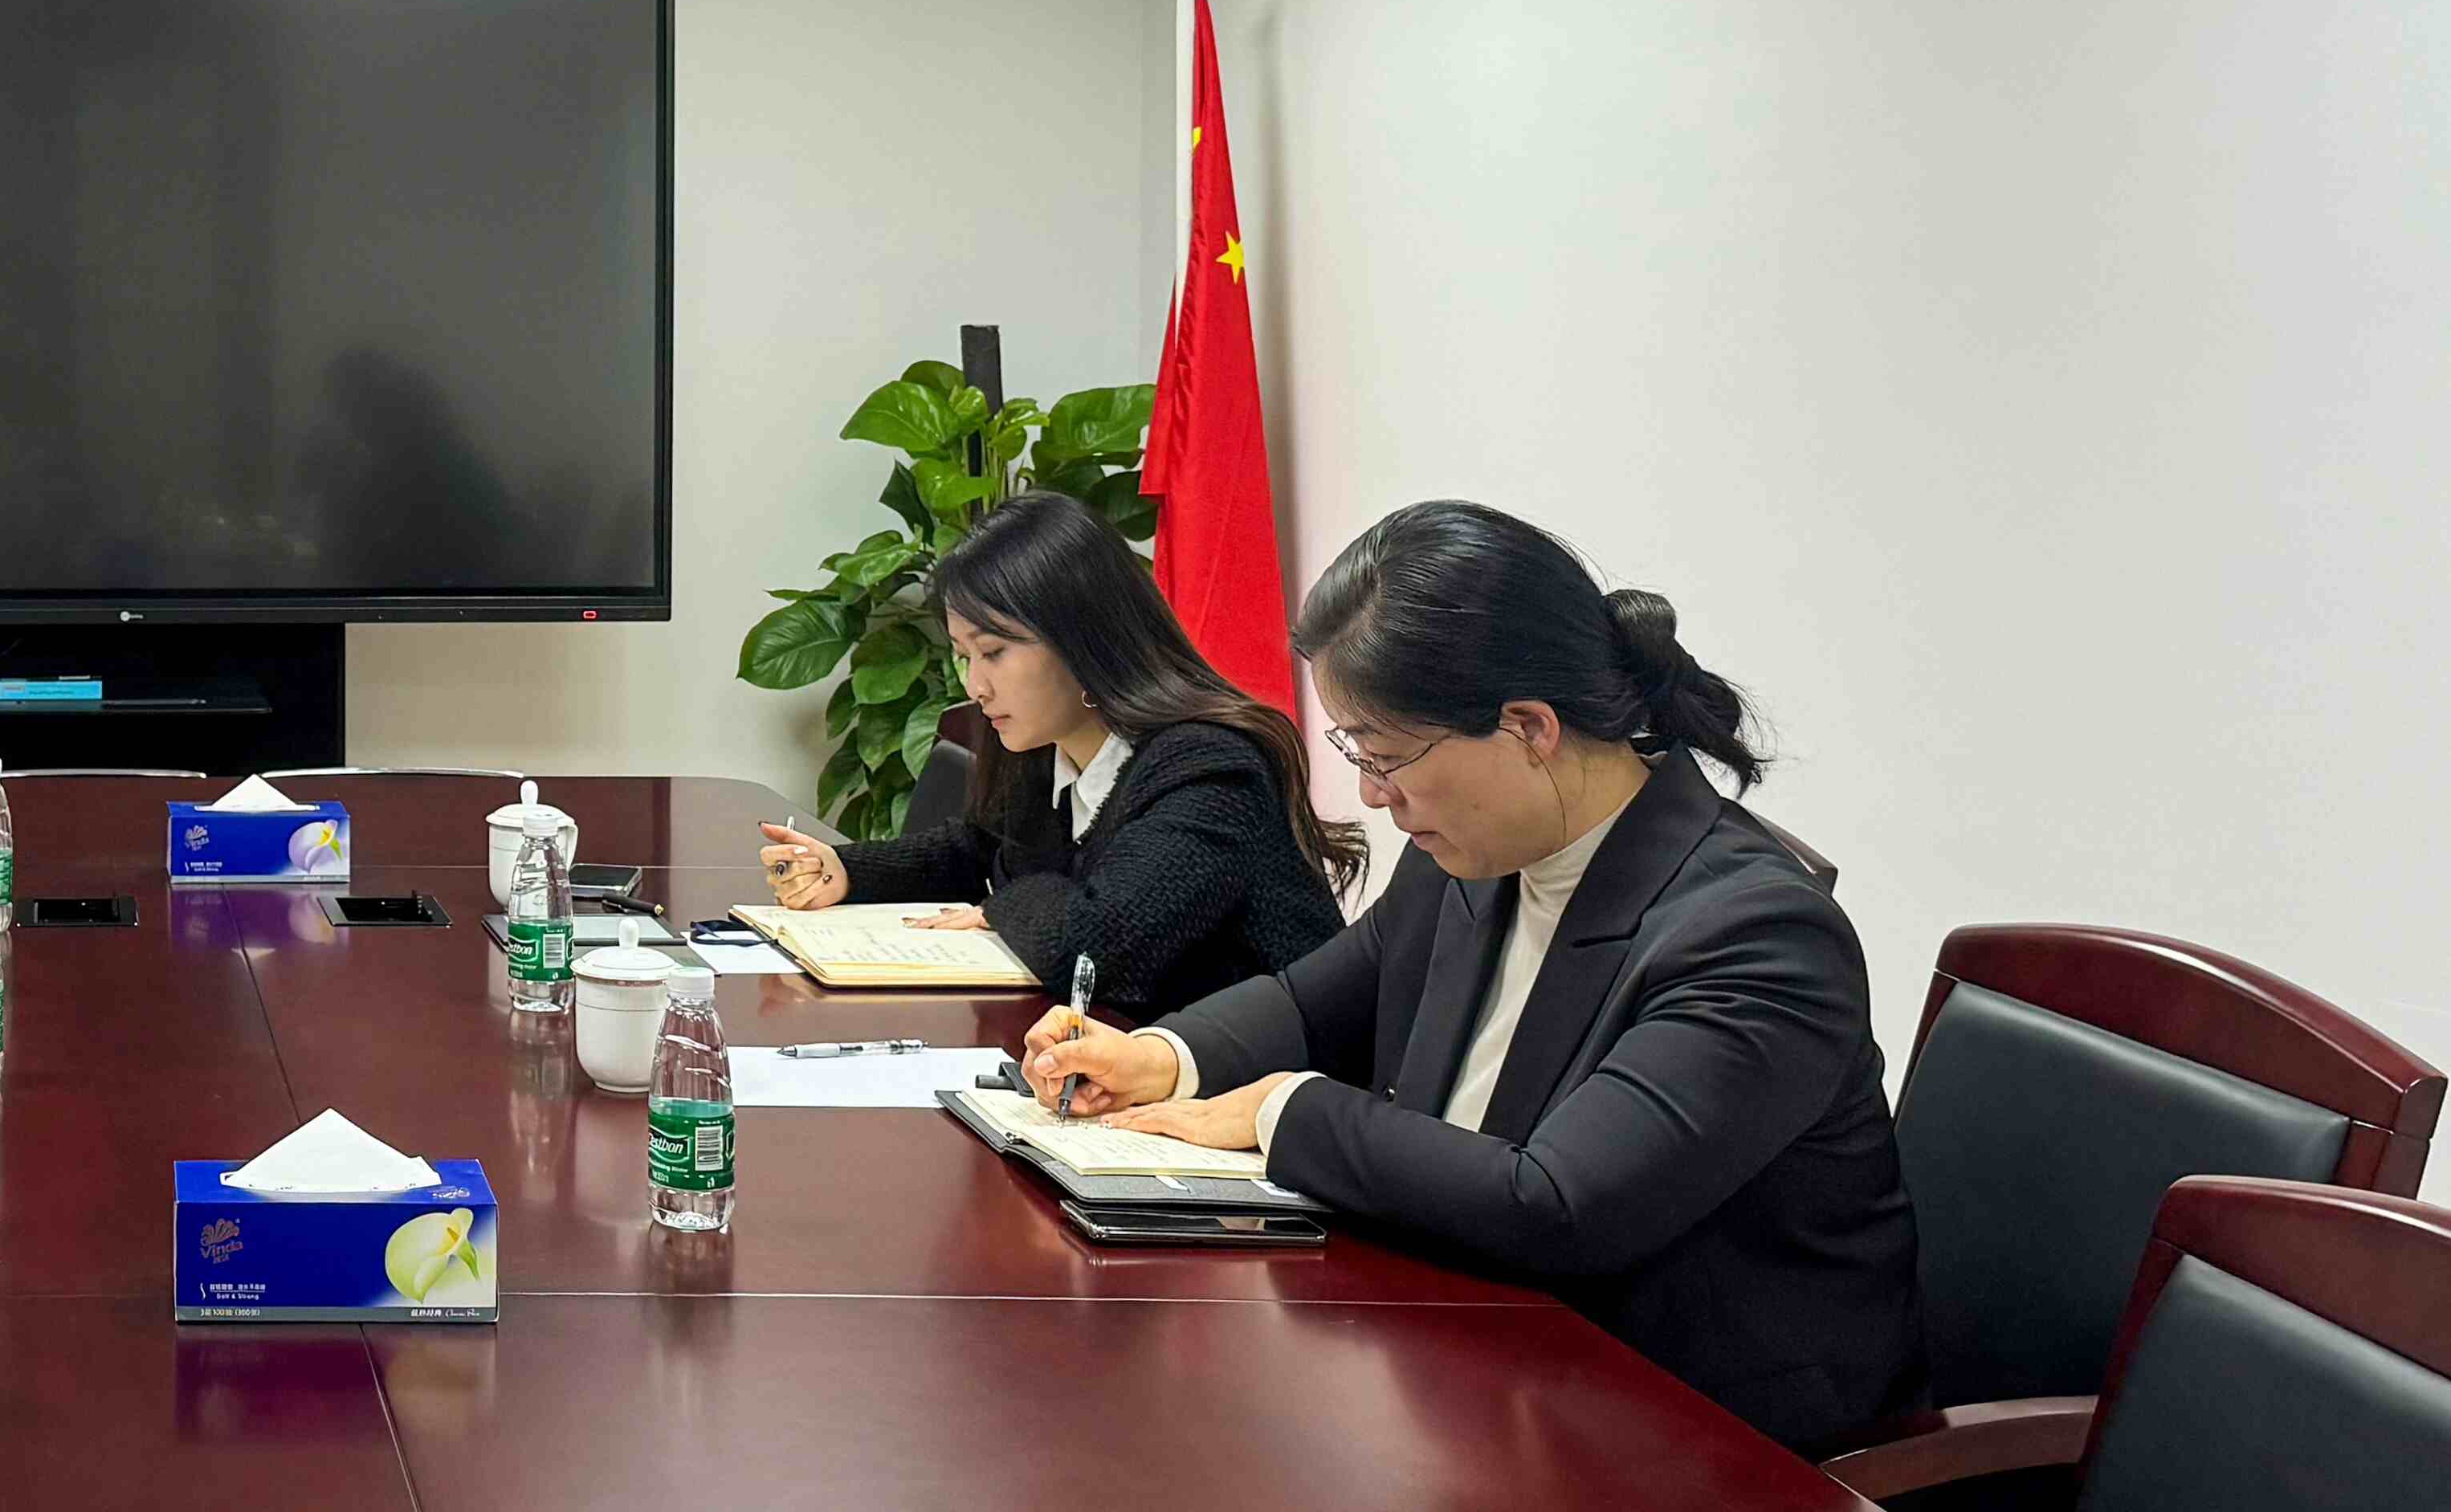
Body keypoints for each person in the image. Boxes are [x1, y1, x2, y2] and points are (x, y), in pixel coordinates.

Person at [1026, 499, 1923, 1452]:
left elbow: (1559, 1205)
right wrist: (1160, 1056)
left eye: (1385, 754)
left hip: (1707, 1447)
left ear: (1528, 726)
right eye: (1356, 752)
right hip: (1481, 1368)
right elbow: (1312, 1001)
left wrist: (1277, 1108)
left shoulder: (1756, 935)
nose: (1372, 793)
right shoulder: (1473, 855)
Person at [754, 493, 1359, 1023]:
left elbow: (1098, 949)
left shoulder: (1209, 768)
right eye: (965, 656)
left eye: (993, 652)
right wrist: (847, 870)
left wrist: (999, 907)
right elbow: (979, 849)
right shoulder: (1049, 746)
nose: (975, 686)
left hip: (1272, 1094)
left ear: (1082, 639)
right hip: (1134, 1068)